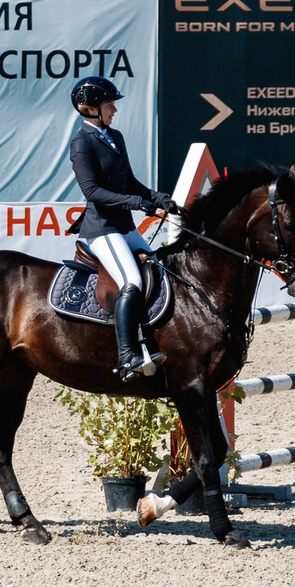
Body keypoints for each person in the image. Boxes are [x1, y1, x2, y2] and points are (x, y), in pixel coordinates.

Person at [68, 75, 175, 379]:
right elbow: (92, 192)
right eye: (109, 104)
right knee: (133, 281)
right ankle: (128, 357)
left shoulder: (115, 137)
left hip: (124, 227)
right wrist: (136, 203)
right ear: (90, 109)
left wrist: (156, 197)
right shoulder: (81, 143)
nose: (114, 109)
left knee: (159, 270)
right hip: (101, 229)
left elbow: (129, 181)